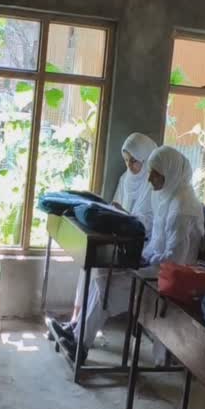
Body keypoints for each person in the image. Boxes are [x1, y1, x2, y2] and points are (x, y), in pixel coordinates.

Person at [51, 146, 205, 361]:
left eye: (155, 173)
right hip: (157, 268)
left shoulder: (182, 208)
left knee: (107, 289)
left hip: (168, 278)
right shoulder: (169, 196)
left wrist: (144, 260)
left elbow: (174, 259)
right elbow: (157, 242)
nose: (149, 179)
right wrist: (143, 256)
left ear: (169, 173)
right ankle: (77, 333)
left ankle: (79, 344)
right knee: (102, 275)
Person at [66, 133, 157, 326]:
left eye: (134, 161)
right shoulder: (126, 179)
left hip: (139, 245)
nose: (129, 166)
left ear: (146, 158)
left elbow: (147, 224)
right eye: (126, 160)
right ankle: (76, 318)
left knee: (98, 269)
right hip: (120, 237)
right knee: (88, 264)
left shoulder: (152, 185)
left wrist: (125, 215)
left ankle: (81, 326)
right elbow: (115, 205)